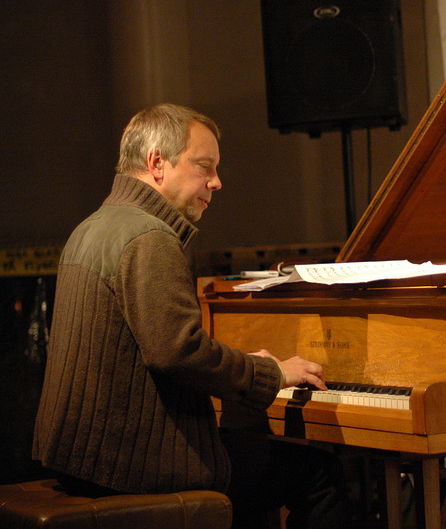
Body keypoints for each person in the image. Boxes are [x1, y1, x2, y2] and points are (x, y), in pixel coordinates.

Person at [32, 103, 349, 528]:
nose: (216, 183)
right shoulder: (149, 237)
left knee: (253, 467)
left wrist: (243, 366)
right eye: (204, 167)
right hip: (128, 461)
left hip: (80, 455)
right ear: (157, 163)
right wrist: (267, 373)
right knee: (318, 474)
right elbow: (178, 353)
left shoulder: (93, 227)